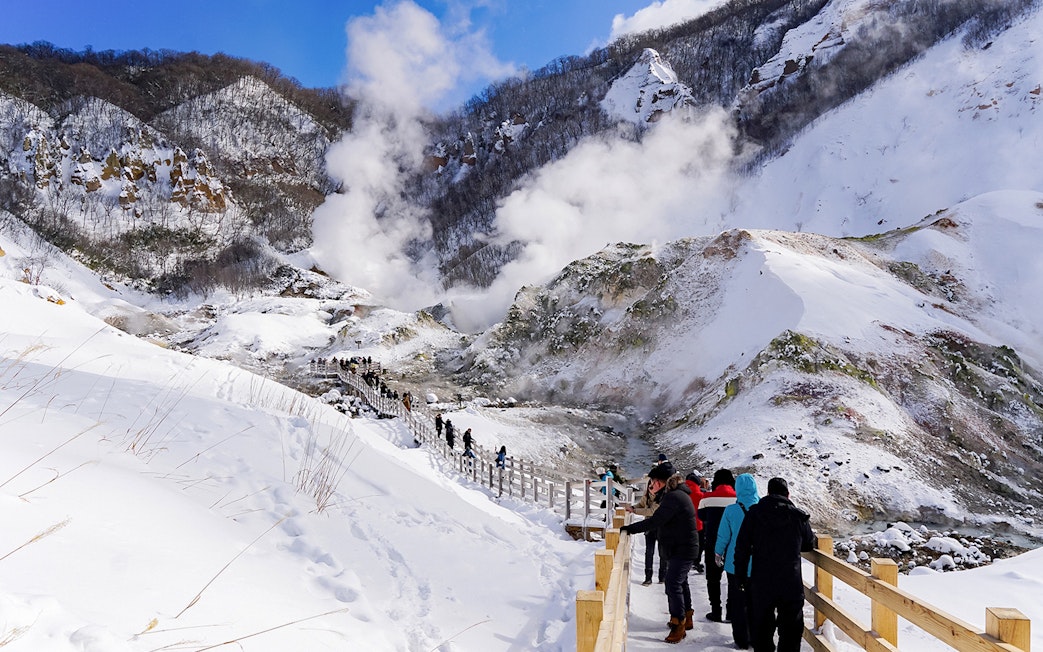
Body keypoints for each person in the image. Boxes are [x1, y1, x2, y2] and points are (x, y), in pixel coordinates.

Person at [733, 477, 815, 652]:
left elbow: (742, 548)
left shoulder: (754, 514)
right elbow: (809, 544)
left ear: (768, 493)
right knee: (791, 631)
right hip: (790, 581)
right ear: (788, 494)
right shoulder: (798, 515)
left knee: (761, 629)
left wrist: (740, 577)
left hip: (761, 581)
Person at [620, 464, 699, 644]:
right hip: (681, 547)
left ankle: (678, 623)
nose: (650, 486)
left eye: (652, 482)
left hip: (683, 548)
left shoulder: (673, 498)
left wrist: (628, 529)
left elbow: (655, 521)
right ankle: (686, 617)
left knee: (672, 584)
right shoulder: (674, 495)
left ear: (660, 482)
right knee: (680, 582)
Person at [715, 473, 760, 650]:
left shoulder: (731, 510)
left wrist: (718, 553)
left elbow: (724, 536)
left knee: (738, 602)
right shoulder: (762, 508)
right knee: (757, 602)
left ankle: (741, 639)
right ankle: (756, 636)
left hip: (735, 564)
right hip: (758, 564)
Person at [698, 468, 736, 622]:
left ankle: (716, 610)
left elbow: (701, 516)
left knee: (713, 579)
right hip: (733, 545)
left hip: (712, 544)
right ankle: (731, 611)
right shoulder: (737, 498)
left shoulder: (707, 498)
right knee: (733, 579)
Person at [627, 468, 667, 586]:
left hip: (660, 526)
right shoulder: (647, 495)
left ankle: (662, 576)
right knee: (649, 551)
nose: (652, 486)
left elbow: (652, 511)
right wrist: (632, 508)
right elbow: (641, 505)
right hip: (649, 526)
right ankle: (648, 577)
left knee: (662, 552)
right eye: (651, 483)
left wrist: (635, 510)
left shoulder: (662, 497)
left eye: (654, 483)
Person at [684, 472, 706, 573]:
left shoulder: (682, 492)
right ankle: (696, 561)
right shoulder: (701, 495)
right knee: (699, 543)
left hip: (684, 524)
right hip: (698, 523)